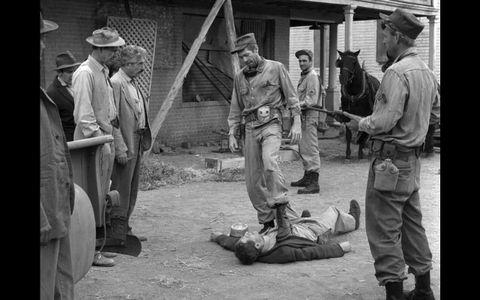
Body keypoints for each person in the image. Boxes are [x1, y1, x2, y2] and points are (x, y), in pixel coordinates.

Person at [340, 8, 440, 300]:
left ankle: (394, 294)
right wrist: (415, 127)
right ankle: (423, 290)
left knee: (383, 229)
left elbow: (382, 121)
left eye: (385, 36)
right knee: (412, 224)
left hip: (389, 162)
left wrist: (360, 122)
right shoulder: (426, 71)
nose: (383, 42)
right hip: (411, 161)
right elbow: (435, 111)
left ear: (397, 35)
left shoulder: (396, 73)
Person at [227, 33, 302, 234]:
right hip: (250, 128)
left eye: (246, 55)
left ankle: (283, 215)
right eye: (241, 57)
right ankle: (267, 221)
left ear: (256, 49)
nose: (244, 60)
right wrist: (232, 132)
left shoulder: (276, 68)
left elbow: (292, 98)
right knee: (252, 181)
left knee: (270, 163)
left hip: (272, 124)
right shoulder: (239, 77)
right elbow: (235, 107)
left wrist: (297, 124)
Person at [72, 27, 126, 267]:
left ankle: (98, 246)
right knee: (90, 196)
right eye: (112, 50)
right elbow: (84, 115)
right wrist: (100, 140)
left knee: (102, 196)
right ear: (100, 49)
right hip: (92, 143)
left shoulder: (102, 71)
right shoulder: (85, 73)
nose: (114, 54)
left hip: (104, 139)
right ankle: (89, 252)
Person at [40, 11, 75, 299]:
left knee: (59, 282)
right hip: (44, 216)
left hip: (54, 205)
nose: (42, 47)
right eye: (39, 39)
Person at [210, 200, 360, 265]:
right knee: (333, 211)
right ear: (257, 244)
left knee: (284, 204)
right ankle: (353, 219)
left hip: (293, 227)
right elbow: (313, 253)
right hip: (313, 232)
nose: (246, 234)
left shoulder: (251, 248)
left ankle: (303, 218)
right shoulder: (283, 253)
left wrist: (218, 237)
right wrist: (340, 248)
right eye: (248, 236)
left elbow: (232, 243)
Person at [110, 45, 152, 242]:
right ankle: (116, 233)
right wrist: (120, 146)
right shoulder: (116, 83)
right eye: (139, 63)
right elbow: (113, 119)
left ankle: (125, 228)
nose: (142, 67)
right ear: (126, 64)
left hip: (137, 138)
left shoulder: (132, 82)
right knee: (122, 187)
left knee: (132, 187)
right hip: (126, 141)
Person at [290, 49, 322, 194]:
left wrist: (295, 104)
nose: (301, 63)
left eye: (304, 60)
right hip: (303, 117)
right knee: (303, 147)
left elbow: (312, 101)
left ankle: (314, 183)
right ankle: (307, 177)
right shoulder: (304, 76)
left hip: (310, 116)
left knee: (310, 148)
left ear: (311, 61)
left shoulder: (312, 77)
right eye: (300, 61)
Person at [46, 51, 81, 141]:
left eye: (74, 70)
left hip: (82, 136)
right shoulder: (52, 92)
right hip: (67, 141)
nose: (73, 74)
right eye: (69, 72)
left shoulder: (77, 84)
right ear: (59, 73)